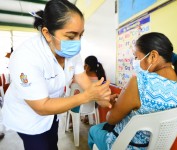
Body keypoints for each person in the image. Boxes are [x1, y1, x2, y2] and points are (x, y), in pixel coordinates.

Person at [2, 0, 111, 150]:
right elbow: (41, 106)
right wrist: (86, 96)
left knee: (52, 144)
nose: (78, 42)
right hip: (29, 118)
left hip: (53, 113)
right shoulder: (26, 57)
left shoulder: (70, 52)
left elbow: (81, 76)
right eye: (71, 36)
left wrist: (102, 96)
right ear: (47, 33)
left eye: (81, 35)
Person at [88, 32, 177, 150]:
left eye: (137, 57)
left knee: (93, 130)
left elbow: (111, 120)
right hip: (153, 147)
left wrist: (113, 104)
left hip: (124, 146)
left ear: (153, 56)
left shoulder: (139, 82)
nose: (135, 62)